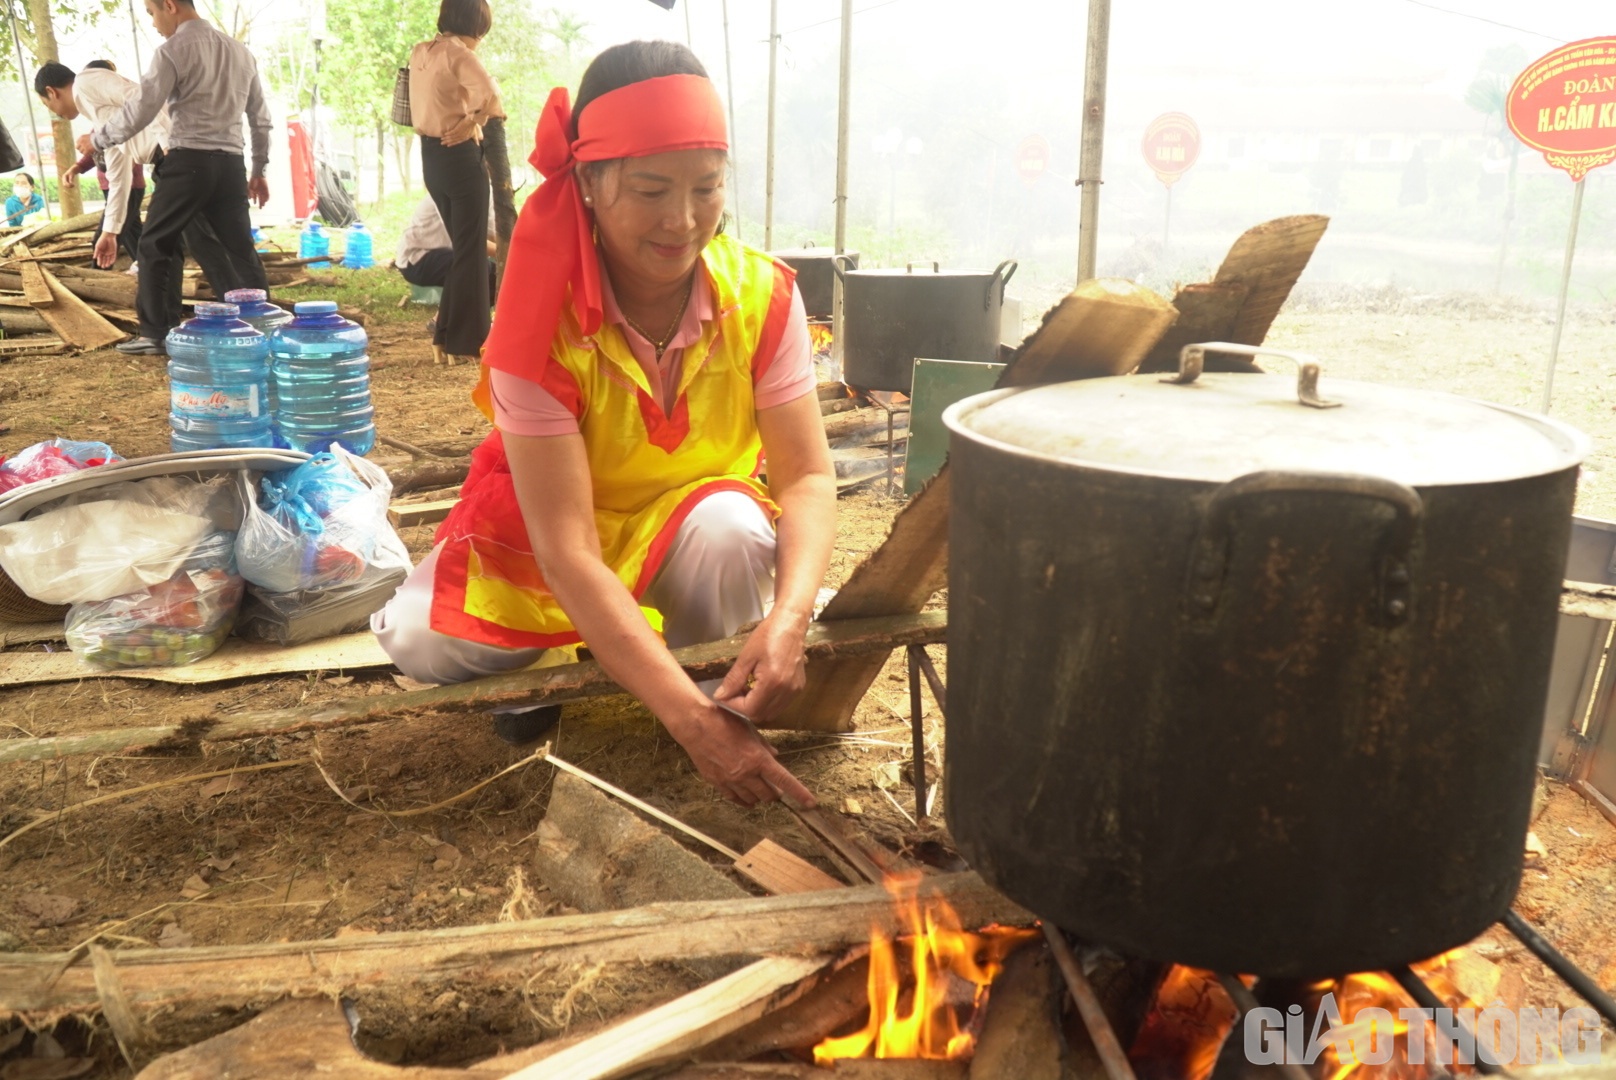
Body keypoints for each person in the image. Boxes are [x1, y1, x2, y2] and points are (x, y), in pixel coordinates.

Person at [373, 41, 836, 810]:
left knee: (735, 530)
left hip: (684, 522)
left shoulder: (765, 299)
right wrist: (692, 727)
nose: (682, 220)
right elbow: (568, 549)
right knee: (421, 637)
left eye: (706, 188)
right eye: (651, 189)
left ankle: (699, 670)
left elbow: (808, 476)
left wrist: (790, 622)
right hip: (557, 534)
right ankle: (590, 670)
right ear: (588, 181)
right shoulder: (535, 325)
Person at [80, 0, 272, 357]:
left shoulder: (172, 51)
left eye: (152, 13)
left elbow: (142, 108)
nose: (153, 24)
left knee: (155, 245)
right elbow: (260, 117)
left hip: (188, 163)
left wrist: (97, 140)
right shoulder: (241, 53)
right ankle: (261, 326)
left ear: (170, 5)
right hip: (231, 165)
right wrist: (259, 169)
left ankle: (156, 332)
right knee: (240, 249)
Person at [409, 0, 503, 365]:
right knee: (471, 252)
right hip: (461, 157)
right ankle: (473, 340)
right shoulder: (460, 55)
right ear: (477, 25)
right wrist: (472, 120)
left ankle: (447, 334)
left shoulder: (422, 51)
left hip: (431, 159)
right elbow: (492, 98)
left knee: (465, 251)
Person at [395, 194, 495, 358]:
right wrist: (516, 256)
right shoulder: (454, 190)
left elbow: (492, 235)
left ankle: (442, 322)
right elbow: (475, 241)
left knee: (495, 276)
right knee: (474, 267)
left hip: (450, 255)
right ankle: (450, 337)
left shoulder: (486, 191)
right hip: (416, 258)